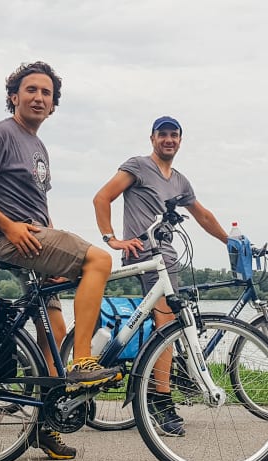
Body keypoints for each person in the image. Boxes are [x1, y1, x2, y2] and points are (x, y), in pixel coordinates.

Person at [0, 60, 121, 460]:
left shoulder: (38, 146)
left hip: (34, 240)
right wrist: (8, 226)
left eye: (46, 93)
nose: (39, 97)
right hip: (11, 238)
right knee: (99, 261)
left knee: (52, 341)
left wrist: (53, 236)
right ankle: (84, 363)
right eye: (31, 90)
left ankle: (45, 425)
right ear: (14, 97)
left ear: (54, 106)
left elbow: (38, 205)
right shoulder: (0, 134)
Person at [93, 115, 230, 437]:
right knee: (168, 324)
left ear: (181, 140)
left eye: (174, 135)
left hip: (168, 259)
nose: (169, 140)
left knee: (176, 320)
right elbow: (102, 197)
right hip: (145, 255)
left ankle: (159, 378)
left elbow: (203, 215)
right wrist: (111, 239)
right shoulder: (138, 166)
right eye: (163, 135)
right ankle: (159, 399)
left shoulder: (180, 181)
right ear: (152, 138)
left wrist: (230, 241)